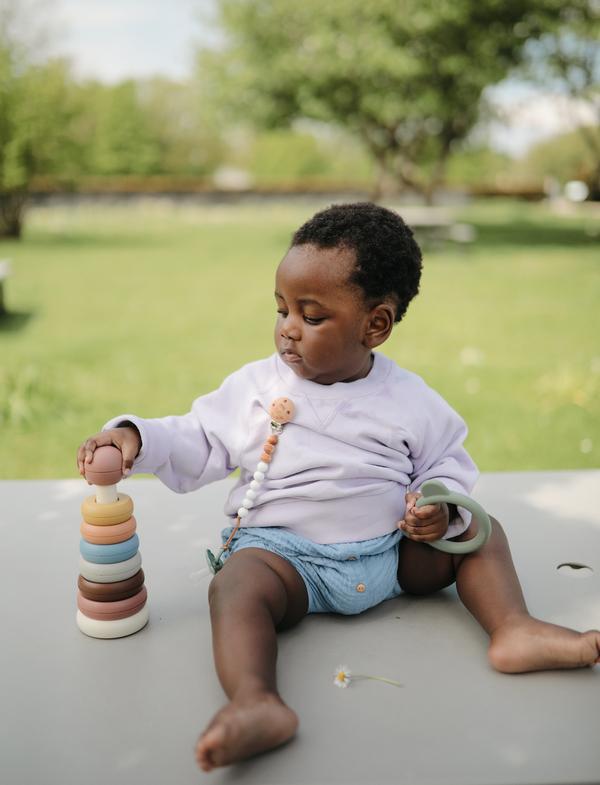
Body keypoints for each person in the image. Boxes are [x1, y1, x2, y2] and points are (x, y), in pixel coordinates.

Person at [77, 202, 600, 772]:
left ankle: (512, 628)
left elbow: (446, 464)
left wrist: (436, 509)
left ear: (375, 325)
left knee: (481, 528)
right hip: (288, 562)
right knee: (235, 586)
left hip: (392, 554)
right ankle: (255, 700)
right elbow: (198, 437)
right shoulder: (255, 388)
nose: (287, 329)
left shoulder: (410, 399)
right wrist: (135, 437)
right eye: (280, 310)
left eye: (312, 316)